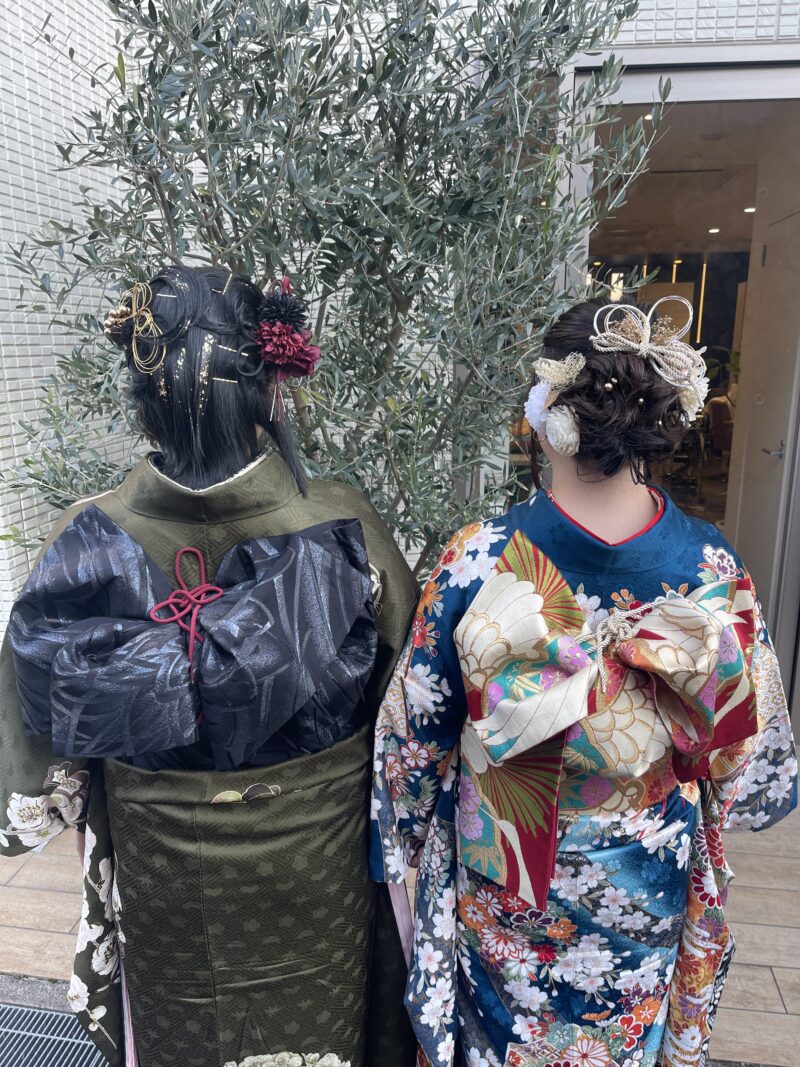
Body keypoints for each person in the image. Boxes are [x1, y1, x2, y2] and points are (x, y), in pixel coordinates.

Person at [0, 265, 419, 1067]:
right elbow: (411, 722)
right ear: (269, 387)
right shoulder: (344, 525)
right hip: (316, 874)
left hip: (165, 883)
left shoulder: (85, 539)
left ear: (141, 397)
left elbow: (28, 780)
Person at [371, 296, 797, 1067]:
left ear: (546, 416)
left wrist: (403, 833)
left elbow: (413, 751)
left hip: (507, 875)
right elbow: (739, 759)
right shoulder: (712, 567)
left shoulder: (477, 559)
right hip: (644, 878)